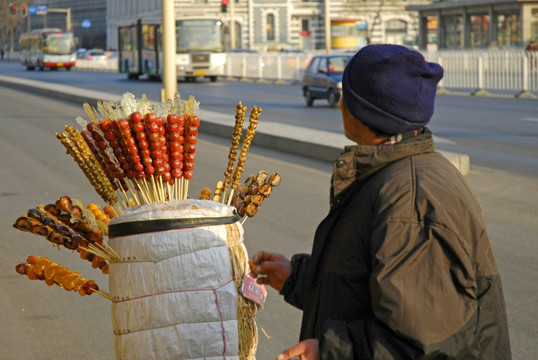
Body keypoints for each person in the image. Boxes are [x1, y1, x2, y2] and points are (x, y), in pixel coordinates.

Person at [251, 44, 511, 359]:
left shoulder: (412, 199)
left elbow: (419, 340)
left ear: (363, 111)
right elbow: (373, 290)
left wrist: (331, 352)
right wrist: (298, 279)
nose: (340, 105)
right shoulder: (396, 172)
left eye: (346, 96)